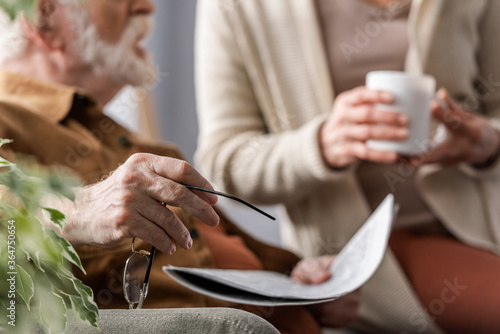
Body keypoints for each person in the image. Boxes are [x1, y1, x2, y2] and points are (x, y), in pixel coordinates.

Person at [0, 1, 360, 333]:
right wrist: (76, 210)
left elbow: (261, 263)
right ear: (46, 17)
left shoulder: (149, 149)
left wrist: (306, 280)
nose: (146, 6)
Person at [194, 0, 500, 333]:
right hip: (353, 256)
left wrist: (487, 144)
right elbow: (223, 164)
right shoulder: (237, 7)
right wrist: (319, 146)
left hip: (484, 226)